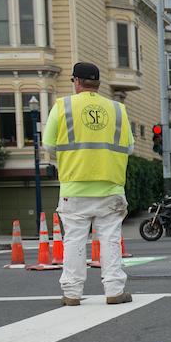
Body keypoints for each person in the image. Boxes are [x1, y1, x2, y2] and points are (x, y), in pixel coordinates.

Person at [42, 62, 133, 306]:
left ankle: (72, 293)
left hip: (75, 185)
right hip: (110, 186)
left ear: (76, 82)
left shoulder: (63, 107)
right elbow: (130, 147)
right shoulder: (117, 110)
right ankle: (114, 290)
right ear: (98, 83)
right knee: (110, 239)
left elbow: (49, 145)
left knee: (73, 240)